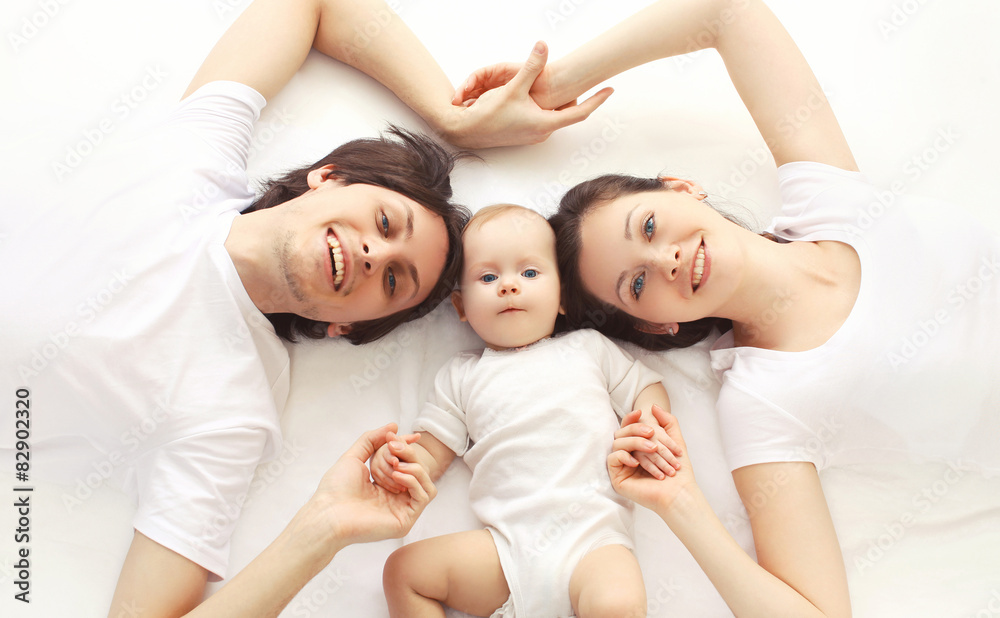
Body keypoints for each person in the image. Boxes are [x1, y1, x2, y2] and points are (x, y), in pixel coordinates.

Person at [1, 0, 615, 615]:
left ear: (344, 324)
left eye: (395, 280)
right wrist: (450, 120)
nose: (376, 252)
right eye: (385, 220)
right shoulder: (199, 151)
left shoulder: (226, 412)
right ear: (330, 176)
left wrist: (320, 530)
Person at [453, 0, 1000, 616]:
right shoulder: (765, 404)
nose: (665, 261)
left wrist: (549, 87)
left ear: (683, 186)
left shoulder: (828, 196)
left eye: (651, 224)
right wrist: (683, 505)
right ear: (657, 323)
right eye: (636, 284)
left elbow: (726, 12)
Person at [370, 204, 682, 618]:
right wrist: (398, 466)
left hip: (593, 541)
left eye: (530, 273)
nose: (509, 286)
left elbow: (647, 387)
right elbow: (429, 454)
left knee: (617, 604)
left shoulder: (588, 348)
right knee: (403, 570)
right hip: (505, 550)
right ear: (461, 307)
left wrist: (648, 429)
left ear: (564, 298)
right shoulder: (462, 375)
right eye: (488, 277)